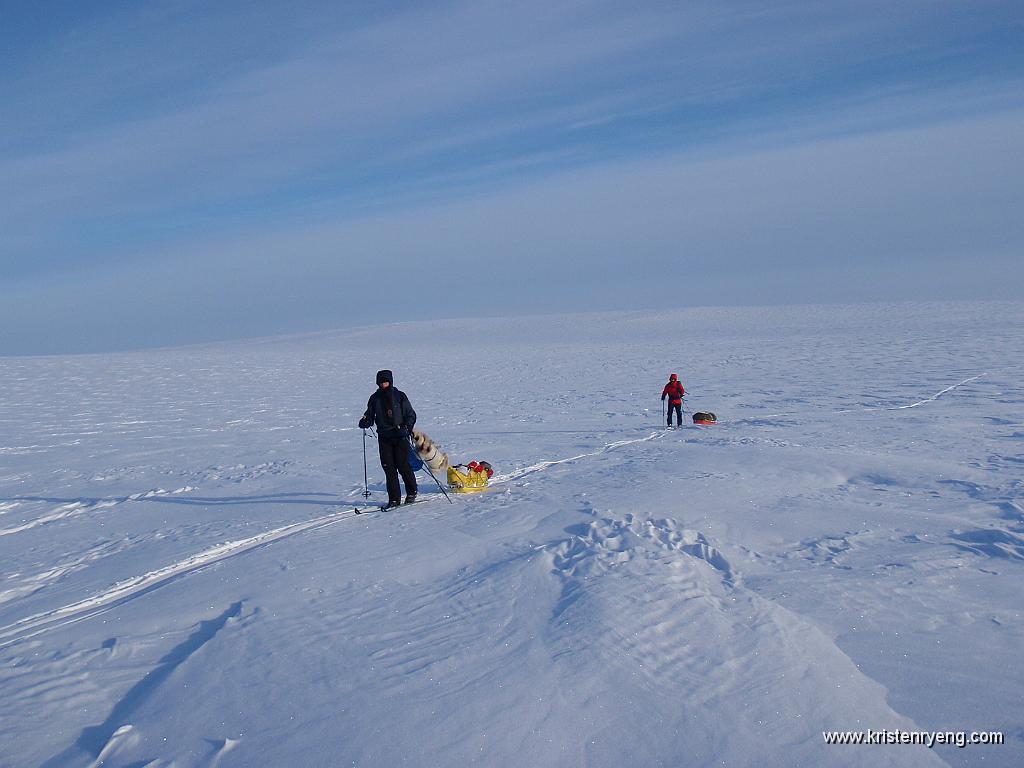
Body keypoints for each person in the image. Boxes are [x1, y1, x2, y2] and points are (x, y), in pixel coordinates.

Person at [358, 370, 418, 508]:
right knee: (388, 469)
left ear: (390, 381)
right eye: (381, 382)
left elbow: (411, 414)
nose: (383, 384)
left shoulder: (399, 396)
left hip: (400, 436)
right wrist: (365, 422)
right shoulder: (375, 398)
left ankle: (411, 492)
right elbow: (370, 415)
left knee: (403, 466)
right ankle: (394, 499)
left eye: (385, 381)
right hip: (384, 437)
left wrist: (407, 427)